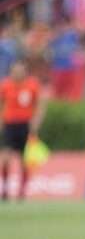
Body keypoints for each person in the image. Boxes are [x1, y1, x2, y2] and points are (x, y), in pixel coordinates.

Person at [0, 60, 46, 201]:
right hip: (10, 124)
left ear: (25, 71)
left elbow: (40, 104)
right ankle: (5, 191)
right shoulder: (6, 85)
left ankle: (22, 193)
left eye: (20, 70)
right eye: (15, 70)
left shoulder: (32, 85)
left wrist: (36, 122)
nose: (17, 73)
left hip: (25, 125)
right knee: (6, 157)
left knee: (24, 160)